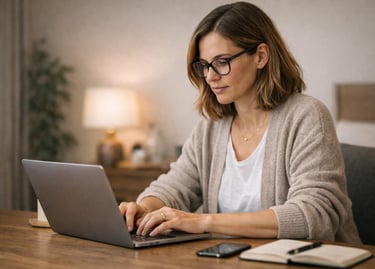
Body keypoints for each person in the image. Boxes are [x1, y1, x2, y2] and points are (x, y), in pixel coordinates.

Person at [119, 1, 361, 243]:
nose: (210, 76)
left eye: (222, 61)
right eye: (204, 65)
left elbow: (313, 214)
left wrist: (204, 221)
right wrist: (145, 208)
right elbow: (175, 186)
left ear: (261, 56)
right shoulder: (210, 127)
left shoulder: (308, 116)